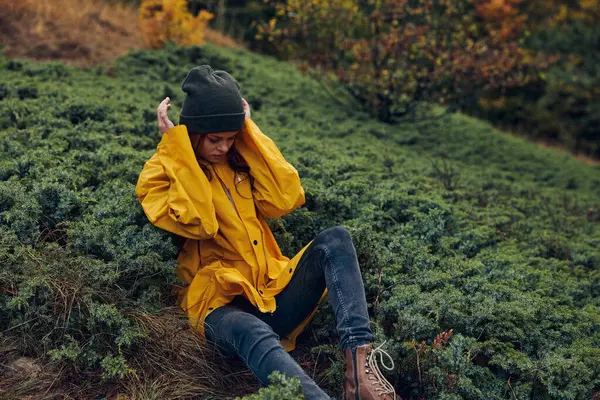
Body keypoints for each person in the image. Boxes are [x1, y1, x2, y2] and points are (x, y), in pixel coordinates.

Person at [135, 65, 397, 400]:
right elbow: (201, 222)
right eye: (214, 139)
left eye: (231, 139)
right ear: (192, 133)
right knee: (251, 328)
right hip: (218, 308)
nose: (222, 148)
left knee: (336, 239)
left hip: (268, 292)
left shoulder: (239, 161)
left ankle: (359, 376)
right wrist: (176, 148)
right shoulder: (160, 172)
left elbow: (285, 197)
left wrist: (249, 134)